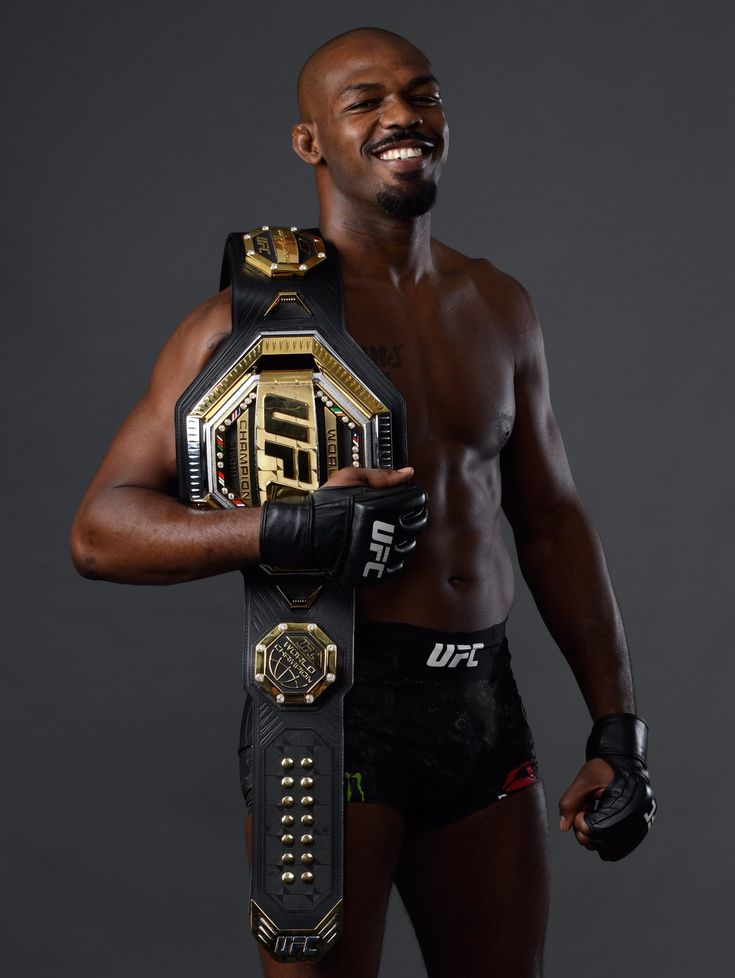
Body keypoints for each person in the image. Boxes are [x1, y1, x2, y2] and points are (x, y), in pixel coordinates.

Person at [72, 26, 655, 978]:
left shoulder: (497, 302)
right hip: (333, 706)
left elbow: (549, 521)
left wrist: (616, 726)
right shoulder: (246, 325)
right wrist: (284, 525)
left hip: (482, 700)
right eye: (366, 102)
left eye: (420, 95)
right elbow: (99, 531)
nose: (402, 116)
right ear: (311, 144)